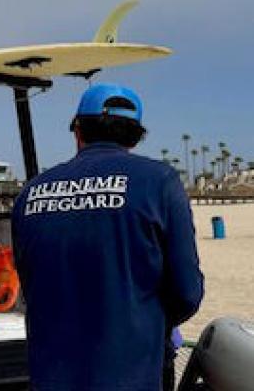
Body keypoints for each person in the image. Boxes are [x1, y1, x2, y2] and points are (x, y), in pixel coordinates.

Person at [11, 84, 204, 390]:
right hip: (131, 374)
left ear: (78, 130)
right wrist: (144, 322)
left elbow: (28, 279)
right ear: (135, 136)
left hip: (51, 374)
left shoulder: (32, 191)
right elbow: (187, 292)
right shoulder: (159, 182)